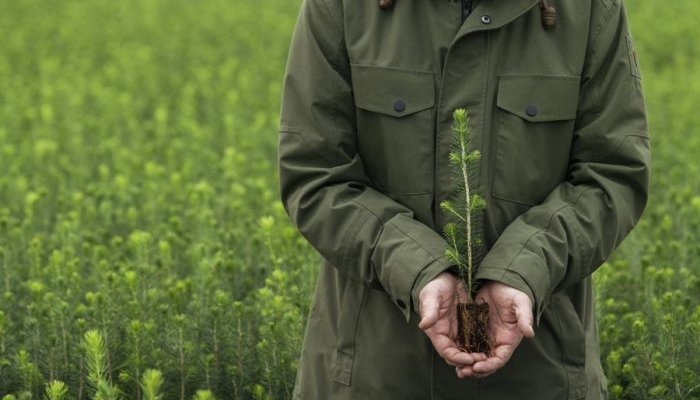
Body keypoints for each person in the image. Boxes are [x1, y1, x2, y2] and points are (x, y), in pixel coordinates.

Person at [278, 0, 650, 398]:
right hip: (370, 375)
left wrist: (524, 269)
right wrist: (418, 269)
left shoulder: (590, 9)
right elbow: (316, 173)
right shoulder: (343, 7)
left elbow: (611, 174)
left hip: (541, 375)